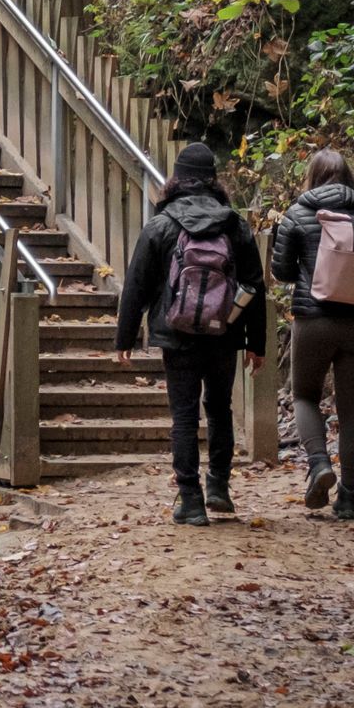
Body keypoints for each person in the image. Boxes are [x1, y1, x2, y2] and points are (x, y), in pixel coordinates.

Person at [115, 142, 267, 525]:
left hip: (176, 334)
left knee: (183, 417)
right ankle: (218, 486)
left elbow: (137, 284)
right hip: (224, 332)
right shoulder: (234, 225)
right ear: (215, 180)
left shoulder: (162, 225)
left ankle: (191, 499)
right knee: (219, 410)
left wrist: (125, 337)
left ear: (176, 179)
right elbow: (253, 285)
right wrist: (256, 342)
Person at [269, 148, 354, 521]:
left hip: (313, 321)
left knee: (304, 396)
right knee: (351, 411)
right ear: (349, 178)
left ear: (312, 177)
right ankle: (348, 497)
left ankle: (318, 464)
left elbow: (282, 272)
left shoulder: (298, 214)